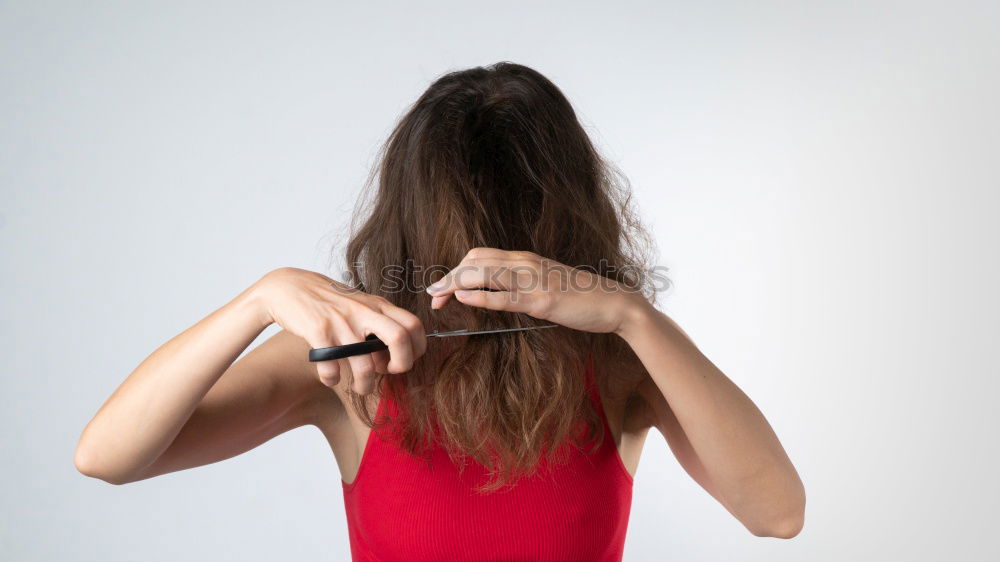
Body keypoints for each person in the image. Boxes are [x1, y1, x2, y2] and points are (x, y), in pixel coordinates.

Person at [75, 62, 805, 561]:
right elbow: (104, 457)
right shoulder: (353, 364)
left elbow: (778, 515)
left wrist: (631, 316)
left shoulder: (620, 368)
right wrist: (259, 301)